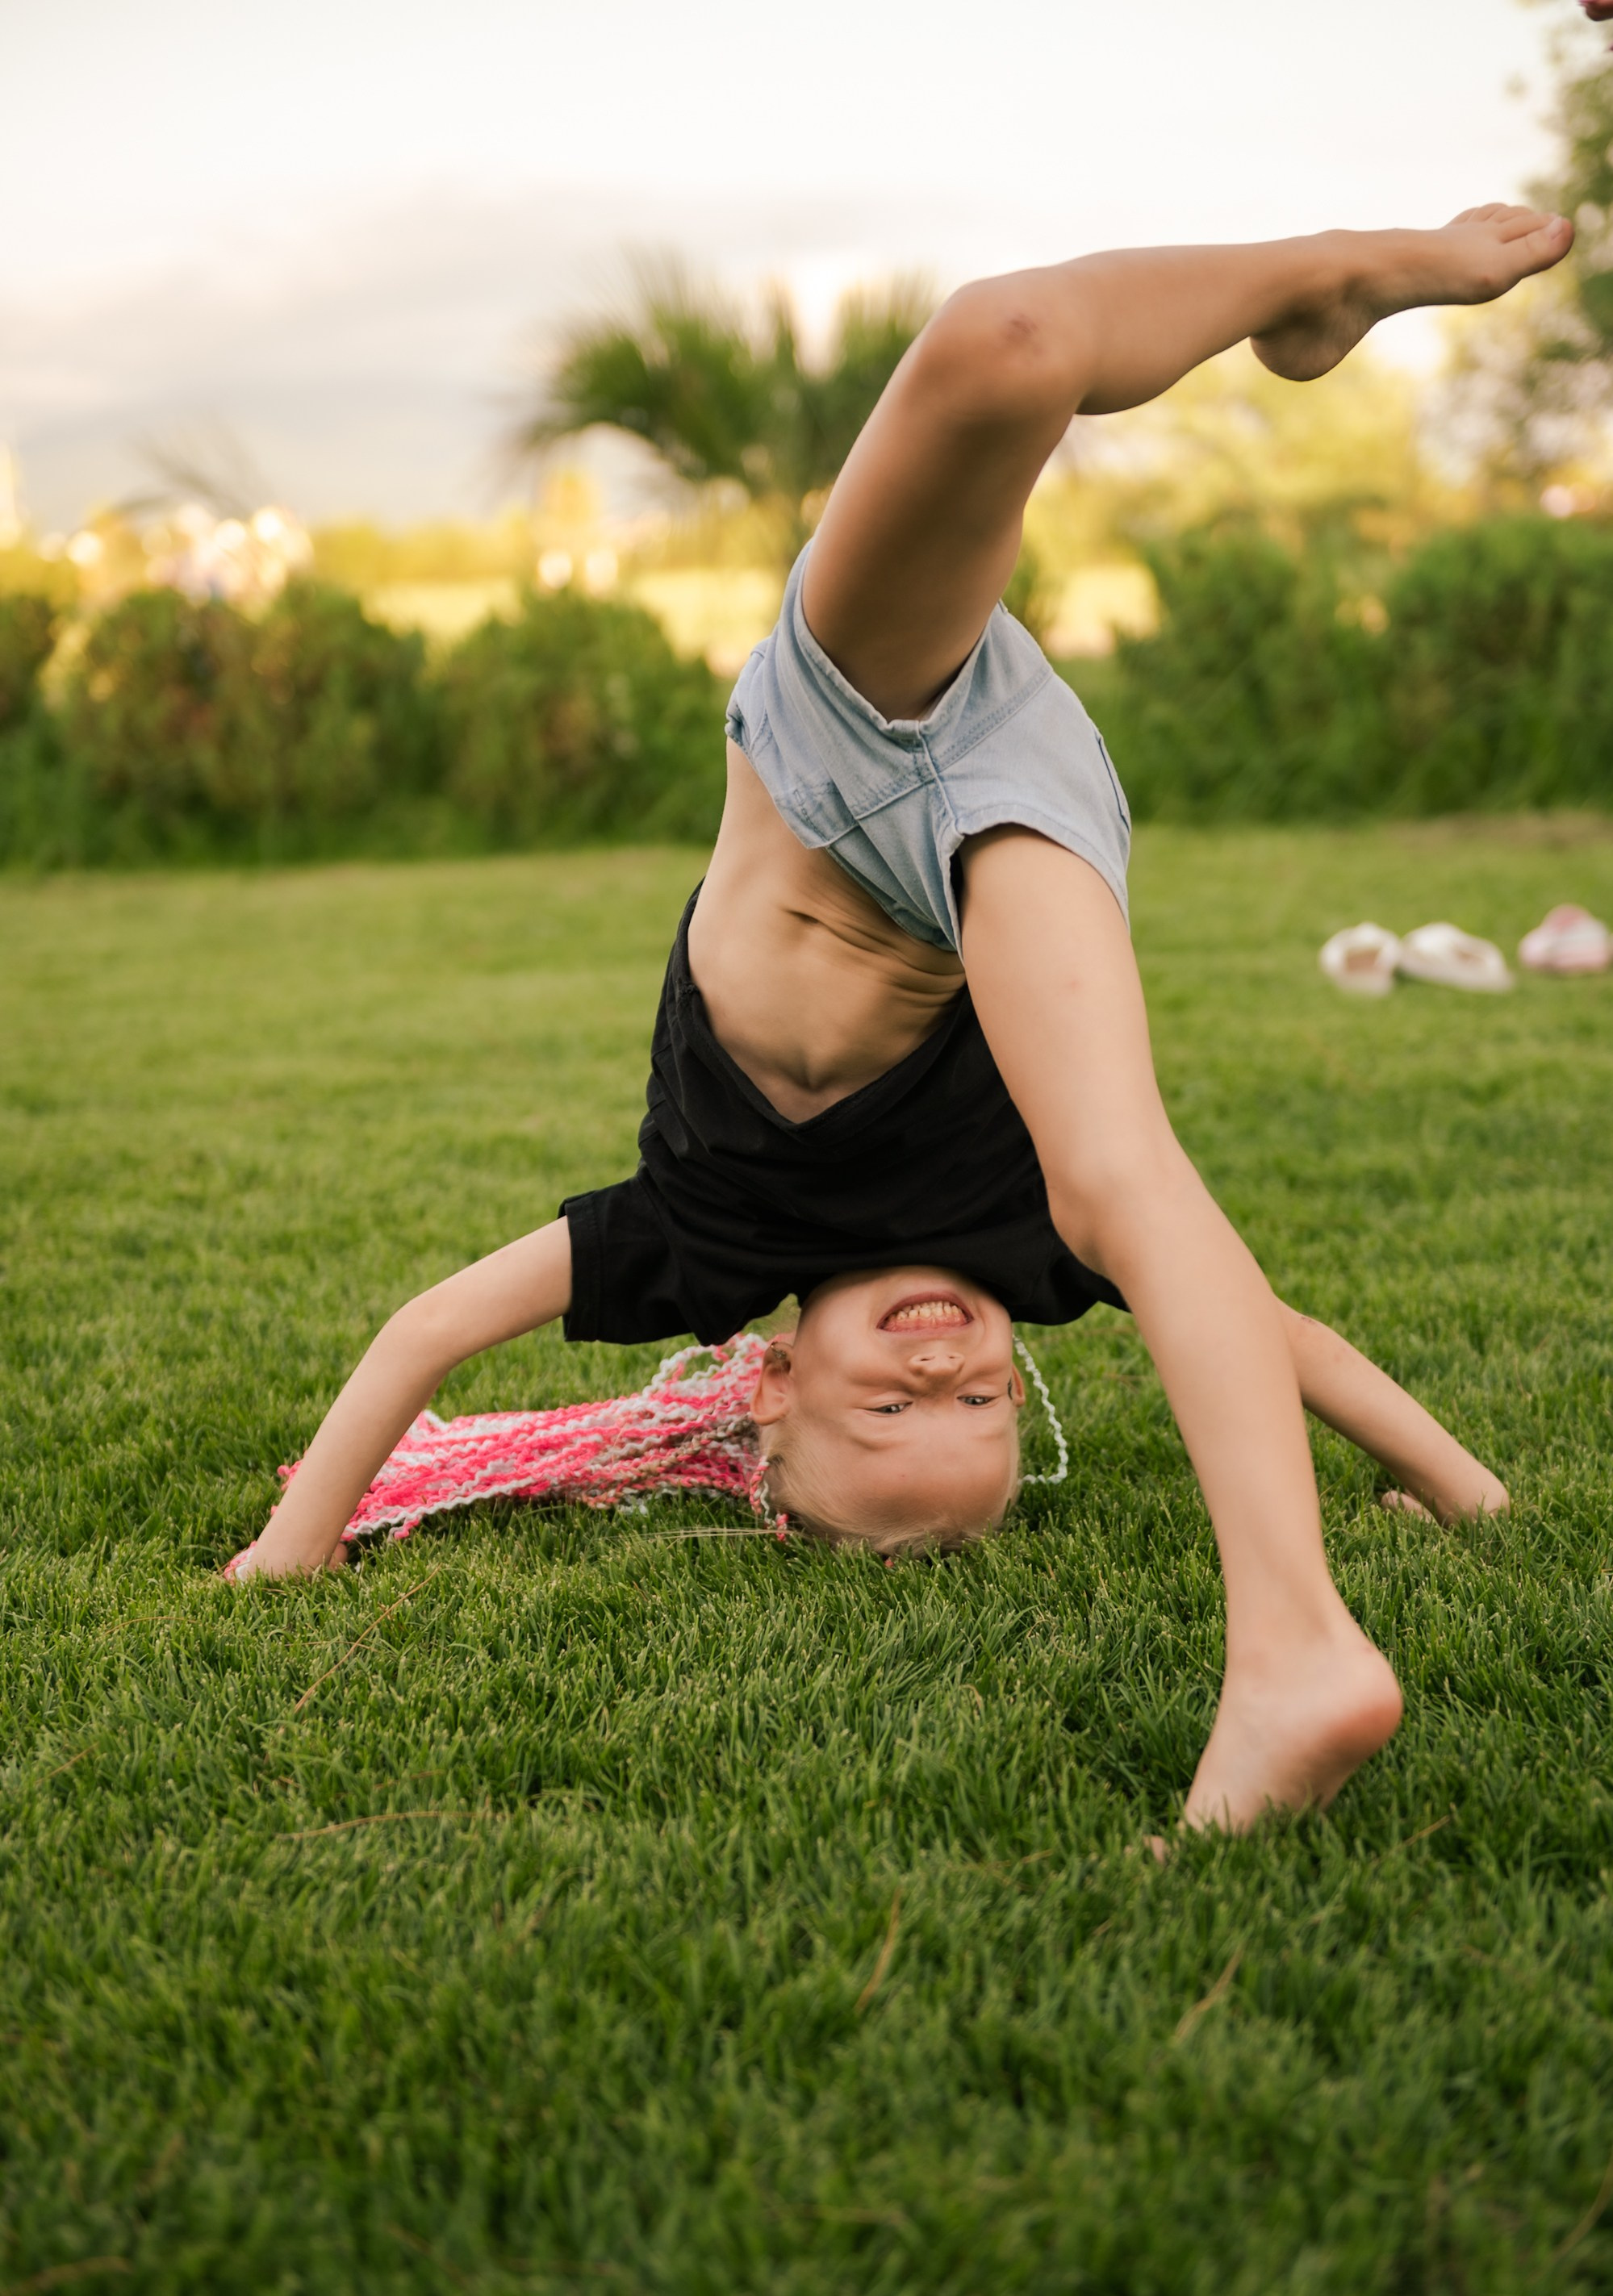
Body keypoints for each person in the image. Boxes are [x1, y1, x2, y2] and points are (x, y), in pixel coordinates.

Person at [230, 204, 1562, 1831]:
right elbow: (1286, 1342)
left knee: (1005, 344)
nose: (943, 1362)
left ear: (773, 1381)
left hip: (846, 737)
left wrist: (293, 1544)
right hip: (1004, 808)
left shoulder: (699, 1240)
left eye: (891, 1403)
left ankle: (1324, 277)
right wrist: (1460, 1486)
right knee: (1123, 1185)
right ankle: (1293, 1645)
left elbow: (426, 1333)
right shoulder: (1017, 1243)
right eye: (979, 1402)